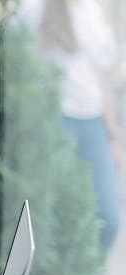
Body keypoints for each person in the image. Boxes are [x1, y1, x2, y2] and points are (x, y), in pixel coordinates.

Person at [22, 0, 122, 250]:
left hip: (92, 123)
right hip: (54, 121)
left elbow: (104, 79)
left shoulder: (92, 11)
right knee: (53, 215)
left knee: (108, 218)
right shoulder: (34, 8)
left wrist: (112, 138)